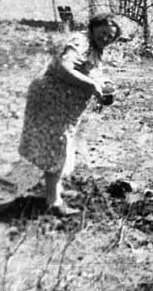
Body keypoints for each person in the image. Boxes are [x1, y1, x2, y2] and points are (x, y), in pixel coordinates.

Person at [18, 13, 121, 216]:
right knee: (58, 145)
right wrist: (92, 85)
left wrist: (101, 85)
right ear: (93, 28)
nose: (106, 38)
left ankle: (49, 190)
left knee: (58, 145)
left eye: (110, 36)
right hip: (51, 100)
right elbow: (63, 66)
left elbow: (86, 71)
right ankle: (53, 202)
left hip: (64, 105)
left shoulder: (95, 47)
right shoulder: (80, 42)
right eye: (103, 33)